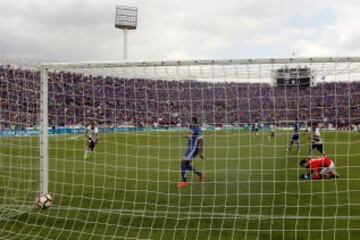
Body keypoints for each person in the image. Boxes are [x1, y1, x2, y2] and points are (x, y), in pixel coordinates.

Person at [177, 117, 205, 188]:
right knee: (186, 164)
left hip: (194, 149)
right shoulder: (192, 128)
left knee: (183, 162)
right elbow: (191, 137)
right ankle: (200, 174)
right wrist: (185, 136)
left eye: (190, 121)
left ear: (193, 121)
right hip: (190, 148)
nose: (189, 122)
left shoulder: (198, 130)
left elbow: (201, 141)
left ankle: (184, 182)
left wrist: (201, 153)